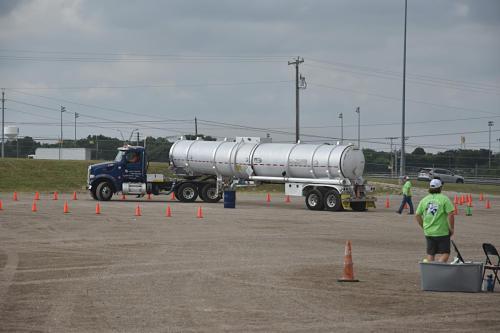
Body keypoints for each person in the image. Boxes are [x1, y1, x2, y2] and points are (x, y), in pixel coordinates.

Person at [415, 179, 455, 263]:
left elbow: (417, 215)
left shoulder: (424, 200)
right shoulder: (444, 199)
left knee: (431, 253)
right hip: (442, 231)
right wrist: (451, 228)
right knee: (445, 253)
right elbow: (451, 214)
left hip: (428, 231)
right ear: (440, 187)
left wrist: (423, 226)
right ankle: (438, 267)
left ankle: (431, 270)